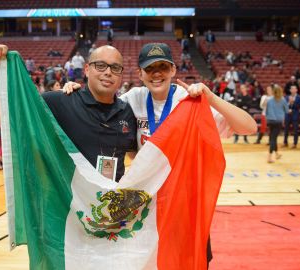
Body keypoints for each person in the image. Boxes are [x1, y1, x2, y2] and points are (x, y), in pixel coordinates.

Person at [63, 42, 257, 267]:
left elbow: (249, 127)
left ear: (173, 70)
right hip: (147, 206)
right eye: (150, 68)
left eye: (163, 67)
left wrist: (210, 97)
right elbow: (98, 105)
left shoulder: (189, 100)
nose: (157, 74)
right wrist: (74, 91)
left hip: (183, 205)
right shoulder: (132, 100)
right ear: (140, 73)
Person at [0, 43, 137, 182]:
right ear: (87, 70)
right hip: (70, 209)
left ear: (121, 75)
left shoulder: (128, 112)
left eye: (115, 68)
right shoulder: (60, 101)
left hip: (110, 208)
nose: (108, 72)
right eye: (101, 65)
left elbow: (135, 156)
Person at [266, 85, 288, 163]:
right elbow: (287, 110)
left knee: (273, 137)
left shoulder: (270, 100)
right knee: (273, 138)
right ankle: (269, 156)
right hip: (278, 121)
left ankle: (276, 154)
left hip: (270, 121)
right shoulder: (283, 100)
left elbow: (267, 111)